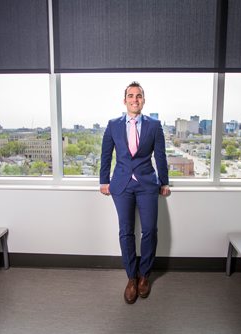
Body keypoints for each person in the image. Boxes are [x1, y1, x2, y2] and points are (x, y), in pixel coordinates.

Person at [100, 81, 171, 304]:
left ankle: (144, 276)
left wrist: (165, 182)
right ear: (125, 100)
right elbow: (105, 155)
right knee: (126, 231)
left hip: (147, 184)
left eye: (138, 96)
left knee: (150, 230)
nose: (134, 99)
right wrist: (104, 181)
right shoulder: (113, 125)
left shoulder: (154, 125)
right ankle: (131, 277)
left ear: (143, 100)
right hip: (121, 184)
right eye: (130, 96)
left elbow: (160, 156)